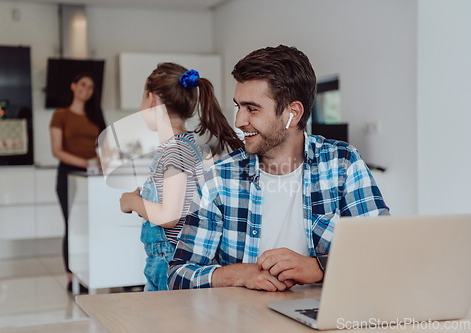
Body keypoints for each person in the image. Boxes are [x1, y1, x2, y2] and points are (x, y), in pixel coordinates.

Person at [168, 45, 390, 291]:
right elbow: (179, 275)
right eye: (238, 107)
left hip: (323, 317)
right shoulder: (218, 178)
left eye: (252, 109)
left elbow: (382, 254)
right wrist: (238, 275)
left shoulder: (343, 163)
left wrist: (319, 268)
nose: (239, 121)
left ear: (292, 114)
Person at [119, 63, 243, 291]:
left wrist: (131, 201)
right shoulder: (187, 146)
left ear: (152, 99)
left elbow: (169, 216)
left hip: (169, 258)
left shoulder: (174, 151)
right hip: (176, 255)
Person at [49, 73, 106, 293]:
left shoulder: (95, 116)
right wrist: (87, 162)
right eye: (83, 84)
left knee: (91, 227)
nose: (87, 89)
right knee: (72, 226)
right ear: (73, 86)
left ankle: (91, 271)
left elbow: (104, 146)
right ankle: (72, 277)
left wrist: (102, 160)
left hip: (93, 178)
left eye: (91, 87)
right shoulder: (60, 115)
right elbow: (57, 151)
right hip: (69, 176)